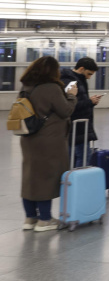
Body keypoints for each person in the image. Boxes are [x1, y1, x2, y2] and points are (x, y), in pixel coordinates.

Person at [20, 56, 77, 231]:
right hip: (49, 139)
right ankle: (44, 220)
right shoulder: (51, 88)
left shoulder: (27, 86)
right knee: (46, 177)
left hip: (29, 138)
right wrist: (71, 96)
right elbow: (65, 110)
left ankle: (30, 218)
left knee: (30, 177)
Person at [61, 57, 101, 168]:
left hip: (80, 127)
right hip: (76, 126)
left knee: (74, 157)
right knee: (83, 157)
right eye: (89, 74)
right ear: (81, 69)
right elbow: (69, 106)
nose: (89, 77)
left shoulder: (79, 80)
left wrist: (90, 102)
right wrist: (89, 102)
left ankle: (71, 181)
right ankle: (78, 182)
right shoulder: (70, 82)